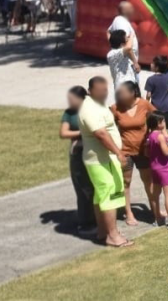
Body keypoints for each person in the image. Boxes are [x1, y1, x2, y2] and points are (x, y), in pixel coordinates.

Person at [78, 76, 133, 248]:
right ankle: (112, 235)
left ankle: (103, 231)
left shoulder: (97, 105)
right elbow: (100, 133)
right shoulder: (89, 108)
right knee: (109, 194)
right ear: (90, 90)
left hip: (106, 159)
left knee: (102, 195)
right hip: (100, 159)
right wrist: (118, 153)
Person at [111, 81, 158, 226]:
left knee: (148, 180)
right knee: (126, 182)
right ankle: (129, 213)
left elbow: (157, 119)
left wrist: (153, 138)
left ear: (133, 93)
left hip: (143, 150)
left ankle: (155, 209)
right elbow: (107, 127)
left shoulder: (144, 104)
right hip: (125, 151)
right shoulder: (115, 108)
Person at [60, 85, 95, 231]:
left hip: (93, 152)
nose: (70, 102)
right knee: (82, 187)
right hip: (77, 152)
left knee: (95, 186)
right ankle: (86, 221)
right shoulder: (69, 113)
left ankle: (99, 218)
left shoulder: (92, 110)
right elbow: (64, 133)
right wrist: (81, 133)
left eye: (72, 99)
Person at [144, 55, 168, 156]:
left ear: (157, 67)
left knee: (159, 128)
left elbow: (148, 95)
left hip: (156, 108)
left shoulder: (151, 79)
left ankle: (163, 147)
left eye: (153, 63)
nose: (151, 65)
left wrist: (146, 103)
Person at [107, 1, 140, 71]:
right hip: (128, 63)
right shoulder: (122, 23)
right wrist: (135, 62)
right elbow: (127, 46)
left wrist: (113, 44)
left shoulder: (118, 20)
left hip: (126, 59)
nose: (133, 10)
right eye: (131, 8)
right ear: (125, 10)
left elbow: (108, 31)